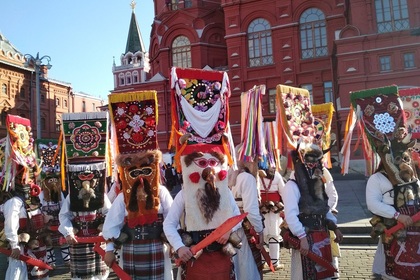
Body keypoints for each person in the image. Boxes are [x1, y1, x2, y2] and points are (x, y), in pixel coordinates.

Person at [102, 151, 174, 279]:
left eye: (145, 171)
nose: (140, 178)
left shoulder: (161, 192)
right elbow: (111, 224)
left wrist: (174, 244)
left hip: (158, 247)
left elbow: (172, 220)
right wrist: (109, 249)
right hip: (131, 248)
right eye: (135, 173)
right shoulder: (122, 197)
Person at [281, 143, 343, 279]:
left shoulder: (316, 183)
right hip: (306, 236)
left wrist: (334, 226)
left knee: (324, 275)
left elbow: (324, 208)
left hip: (322, 235)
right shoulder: (292, 186)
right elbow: (291, 215)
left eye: (317, 163)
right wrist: (302, 237)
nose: (314, 167)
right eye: (310, 163)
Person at [366, 138, 420, 280]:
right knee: (392, 271)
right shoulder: (377, 178)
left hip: (416, 231)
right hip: (394, 229)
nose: (403, 162)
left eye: (405, 158)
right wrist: (397, 215)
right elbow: (373, 204)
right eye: (398, 158)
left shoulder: (414, 179)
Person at [58, 163, 111, 280]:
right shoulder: (71, 197)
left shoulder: (101, 196)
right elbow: (63, 216)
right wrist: (68, 232)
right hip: (78, 240)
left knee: (100, 275)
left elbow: (110, 213)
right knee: (81, 276)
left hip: (98, 239)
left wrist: (104, 226)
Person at [229, 153, 265, 280]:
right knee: (247, 264)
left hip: (228, 226)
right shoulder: (247, 178)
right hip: (244, 226)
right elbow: (251, 209)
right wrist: (260, 230)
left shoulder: (228, 174)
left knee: (235, 263)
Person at [258, 166, 285, 270]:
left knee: (262, 234)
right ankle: (275, 262)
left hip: (261, 208)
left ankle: (263, 261)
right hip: (275, 209)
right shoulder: (277, 175)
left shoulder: (256, 176)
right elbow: (283, 191)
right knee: (274, 234)